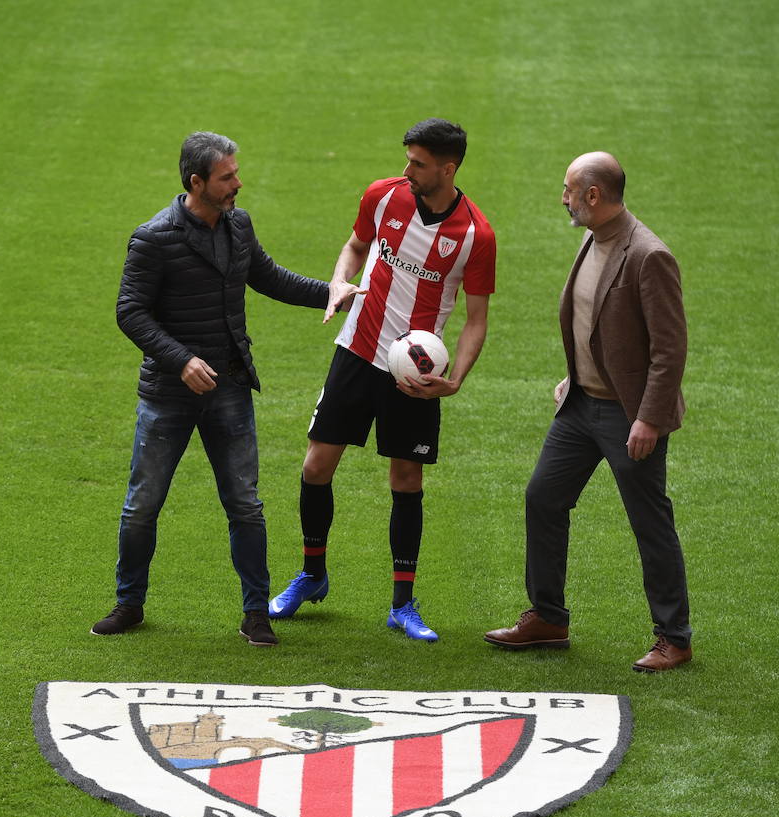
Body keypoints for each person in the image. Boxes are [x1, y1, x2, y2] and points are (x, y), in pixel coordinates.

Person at [92, 131, 342, 647]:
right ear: (196, 182)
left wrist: (333, 293)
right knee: (143, 504)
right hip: (167, 392)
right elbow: (129, 312)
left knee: (245, 504)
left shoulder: (237, 225)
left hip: (228, 386)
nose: (238, 183)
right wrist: (181, 360)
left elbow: (269, 277)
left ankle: (256, 613)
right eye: (227, 177)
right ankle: (129, 603)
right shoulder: (153, 238)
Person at [267, 118, 496, 642]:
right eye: (407, 160)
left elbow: (476, 320)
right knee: (317, 464)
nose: (406, 170)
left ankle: (402, 603)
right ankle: (311, 574)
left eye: (418, 163)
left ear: (448, 167)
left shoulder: (475, 236)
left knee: (406, 480)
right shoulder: (383, 196)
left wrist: (455, 379)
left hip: (413, 374)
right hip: (356, 351)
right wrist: (339, 282)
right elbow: (353, 246)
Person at [483, 151, 692, 672]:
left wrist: (647, 417)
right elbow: (596, 321)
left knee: (649, 521)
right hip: (580, 405)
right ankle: (549, 618)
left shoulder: (649, 255)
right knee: (543, 498)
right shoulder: (592, 239)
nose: (563, 197)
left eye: (567, 188)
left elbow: (670, 350)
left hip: (628, 416)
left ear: (592, 196)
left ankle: (675, 637)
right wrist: (575, 372)